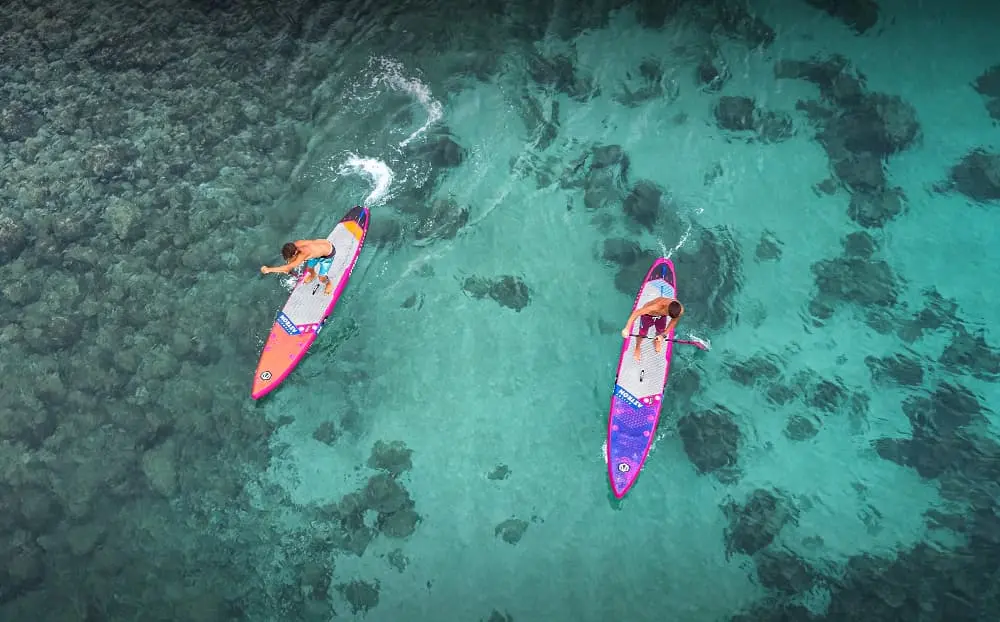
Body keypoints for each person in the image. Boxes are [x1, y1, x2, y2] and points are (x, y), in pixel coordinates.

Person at [260, 239, 337, 295]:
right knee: (309, 268)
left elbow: (288, 267)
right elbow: (290, 261)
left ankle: (328, 283)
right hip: (319, 249)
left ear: (294, 254)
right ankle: (313, 275)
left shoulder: (304, 253)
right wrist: (289, 264)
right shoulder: (294, 246)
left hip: (328, 254)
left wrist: (268, 269)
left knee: (321, 277)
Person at [620, 297, 684, 362]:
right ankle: (637, 347)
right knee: (643, 333)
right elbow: (636, 313)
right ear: (666, 308)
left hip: (661, 317)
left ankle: (656, 340)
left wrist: (663, 335)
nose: (669, 316)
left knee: (661, 331)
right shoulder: (657, 306)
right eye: (668, 314)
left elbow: (674, 321)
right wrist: (627, 328)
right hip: (647, 316)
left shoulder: (679, 311)